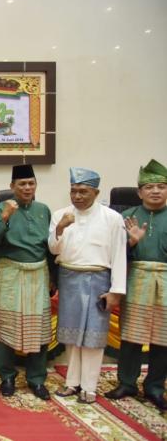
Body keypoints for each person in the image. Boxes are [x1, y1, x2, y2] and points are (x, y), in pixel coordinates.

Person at [49, 168, 126, 404]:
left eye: (83, 191)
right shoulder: (60, 214)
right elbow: (53, 249)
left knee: (94, 335)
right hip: (69, 278)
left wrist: (116, 291)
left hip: (99, 280)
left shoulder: (112, 218)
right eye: (73, 191)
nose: (77, 196)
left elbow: (119, 255)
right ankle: (72, 382)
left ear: (96, 192)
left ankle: (89, 387)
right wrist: (60, 228)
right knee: (71, 334)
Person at [0, 164, 53, 400]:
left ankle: (37, 379)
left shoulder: (44, 210)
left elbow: (50, 247)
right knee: (7, 326)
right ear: (12, 186)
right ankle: (7, 377)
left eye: (31, 183)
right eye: (22, 184)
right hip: (10, 272)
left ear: (36, 186)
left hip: (38, 273)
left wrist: (53, 278)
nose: (27, 188)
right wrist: (5, 217)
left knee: (39, 326)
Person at [105, 159, 167, 412]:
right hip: (136, 279)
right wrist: (130, 243)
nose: (156, 191)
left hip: (165, 280)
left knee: (163, 337)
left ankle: (155, 386)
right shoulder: (125, 217)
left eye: (161, 186)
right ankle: (127, 383)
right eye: (149, 187)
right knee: (131, 335)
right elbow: (112, 255)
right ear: (139, 192)